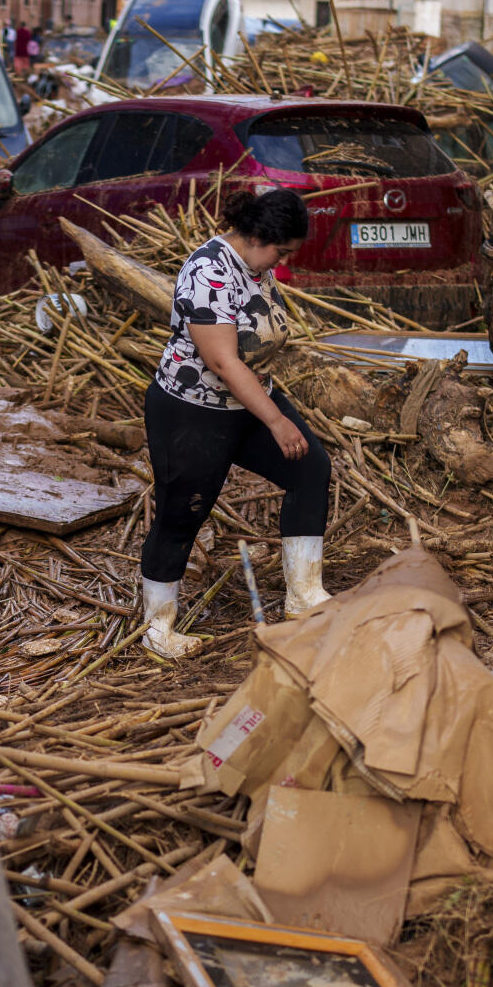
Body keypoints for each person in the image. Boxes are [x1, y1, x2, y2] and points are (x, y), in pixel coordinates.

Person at [137, 187, 331, 659]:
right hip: (192, 409)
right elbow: (223, 362)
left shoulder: (255, 266)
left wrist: (270, 409)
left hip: (248, 400)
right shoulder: (209, 272)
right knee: (183, 512)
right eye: (282, 252)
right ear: (257, 236)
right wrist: (276, 421)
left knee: (310, 469)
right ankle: (157, 630)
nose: (284, 262)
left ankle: (304, 595)